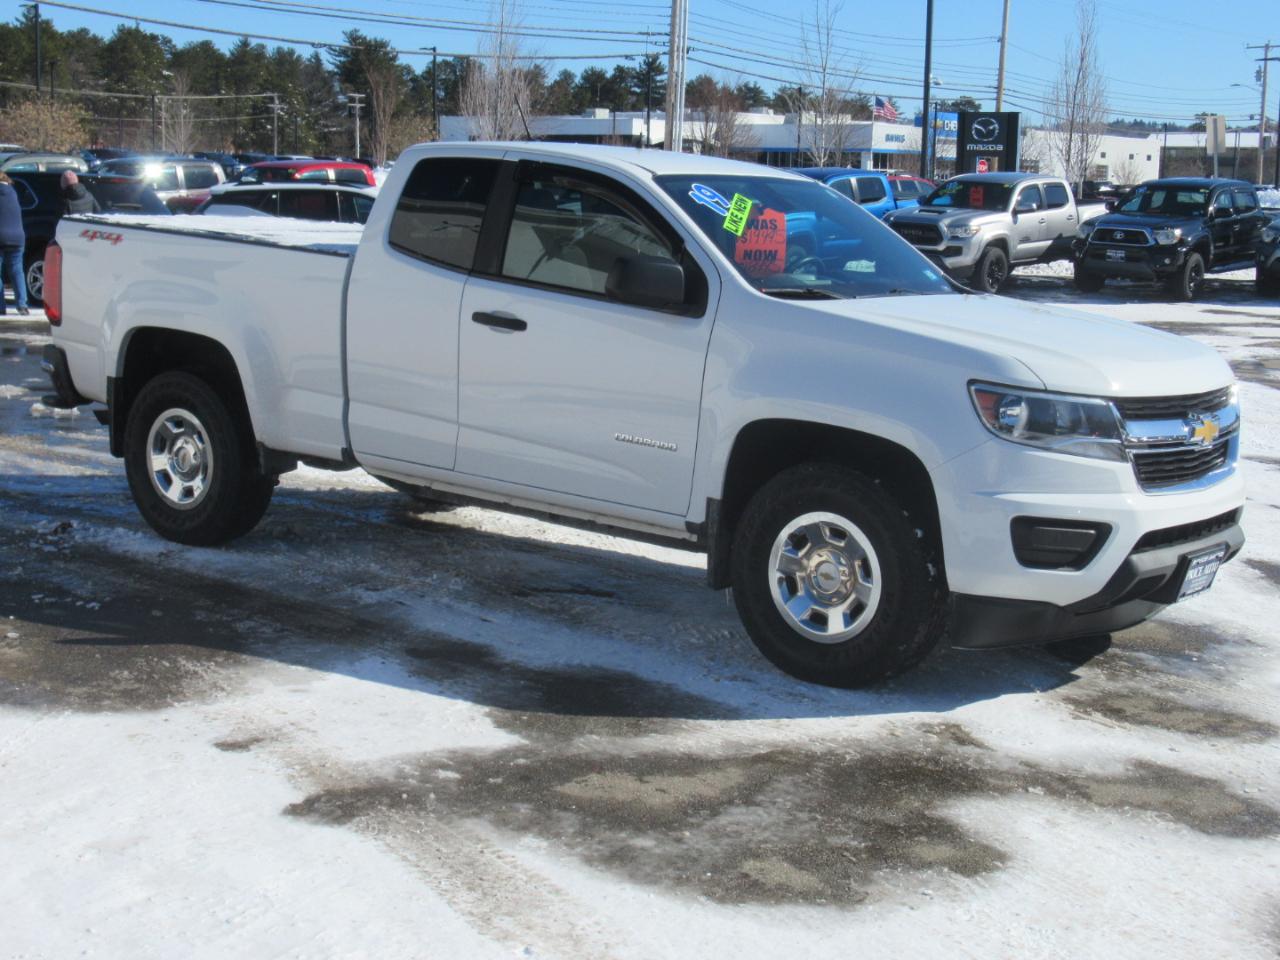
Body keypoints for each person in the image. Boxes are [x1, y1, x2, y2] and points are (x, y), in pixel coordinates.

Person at [0, 172, 29, 317]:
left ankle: (0, 306)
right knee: (17, 271)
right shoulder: (13, 193)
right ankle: (22, 305)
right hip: (18, 237)